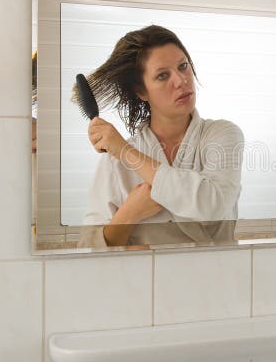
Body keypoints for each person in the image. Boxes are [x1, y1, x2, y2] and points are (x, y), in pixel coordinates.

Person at [77, 25, 244, 248]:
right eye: (162, 75)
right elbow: (88, 249)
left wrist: (127, 153)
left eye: (183, 66)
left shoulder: (223, 134)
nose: (181, 80)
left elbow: (212, 205)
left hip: (218, 277)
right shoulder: (113, 162)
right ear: (142, 91)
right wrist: (129, 214)